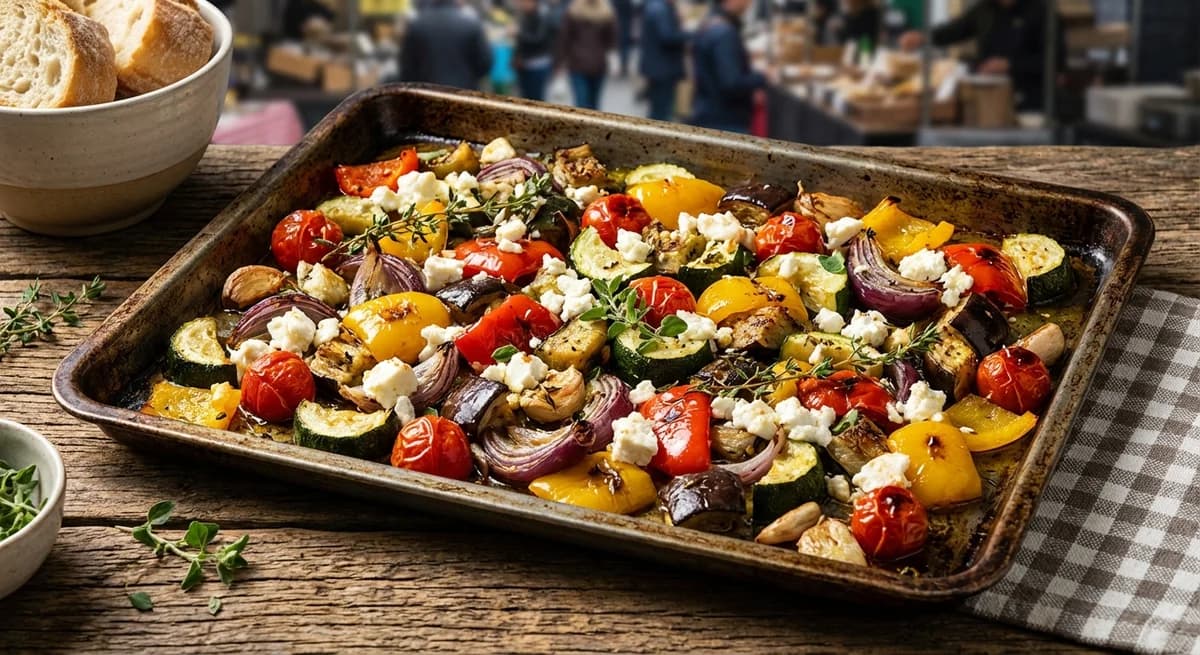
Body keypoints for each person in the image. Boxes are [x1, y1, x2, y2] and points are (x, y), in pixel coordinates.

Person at [898, 0, 1062, 110]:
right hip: (987, 98)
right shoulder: (985, 9)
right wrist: (923, 37)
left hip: (1032, 101)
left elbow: (1055, 61)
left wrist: (1010, 65)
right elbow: (955, 30)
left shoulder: (1042, 11)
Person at [689, 0, 766, 133]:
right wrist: (761, 77)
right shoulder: (724, 32)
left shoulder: (711, 23)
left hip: (710, 112)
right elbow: (732, 83)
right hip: (724, 120)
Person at [400, 0, 494, 90]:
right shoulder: (471, 24)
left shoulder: (417, 26)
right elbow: (485, 64)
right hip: (463, 95)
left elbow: (407, 68)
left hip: (427, 96)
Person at [556, 0, 616, 110]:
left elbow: (565, 39)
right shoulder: (606, 13)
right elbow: (611, 40)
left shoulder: (573, 12)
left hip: (578, 63)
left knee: (581, 103)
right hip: (597, 63)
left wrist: (560, 63)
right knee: (594, 103)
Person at [639, 0, 687, 121]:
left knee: (658, 110)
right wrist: (689, 34)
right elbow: (668, 36)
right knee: (660, 112)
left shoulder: (656, 6)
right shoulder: (661, 9)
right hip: (663, 68)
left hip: (657, 67)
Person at [513, 0, 557, 100]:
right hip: (525, 65)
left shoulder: (543, 15)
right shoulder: (524, 15)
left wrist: (519, 34)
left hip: (538, 65)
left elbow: (538, 39)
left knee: (537, 99)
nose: (522, 4)